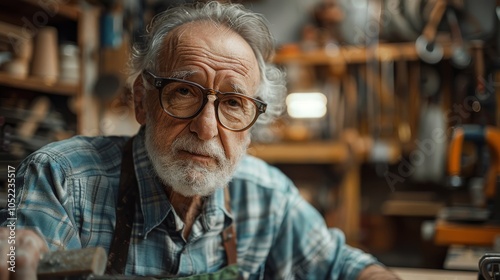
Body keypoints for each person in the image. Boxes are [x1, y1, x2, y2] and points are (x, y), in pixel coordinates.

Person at [0, 2, 400, 279]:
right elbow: (17, 253)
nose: (207, 128)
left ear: (253, 120)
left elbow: (340, 267)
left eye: (233, 103)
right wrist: (14, 249)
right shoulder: (62, 180)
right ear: (142, 101)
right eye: (184, 92)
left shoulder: (266, 196)